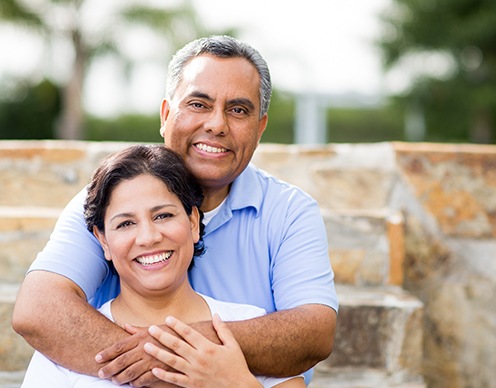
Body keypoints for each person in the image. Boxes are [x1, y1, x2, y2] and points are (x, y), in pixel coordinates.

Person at [13, 35, 338, 386]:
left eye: (239, 110)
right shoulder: (110, 199)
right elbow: (39, 309)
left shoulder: (289, 212)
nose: (216, 124)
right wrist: (171, 370)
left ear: (260, 128)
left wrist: (194, 363)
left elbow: (313, 332)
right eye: (198, 104)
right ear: (166, 115)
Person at [21, 144, 305, 387]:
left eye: (163, 216)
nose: (148, 237)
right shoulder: (64, 348)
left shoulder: (248, 328)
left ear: (193, 222)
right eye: (126, 223)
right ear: (103, 241)